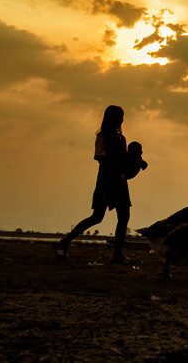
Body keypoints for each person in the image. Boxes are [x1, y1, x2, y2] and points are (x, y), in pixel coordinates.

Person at [53, 105, 139, 263]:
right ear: (108, 118)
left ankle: (117, 254)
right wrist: (114, 172)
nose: (119, 119)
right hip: (106, 181)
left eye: (121, 116)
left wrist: (137, 161)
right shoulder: (102, 137)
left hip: (120, 181)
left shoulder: (122, 138)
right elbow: (100, 158)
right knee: (97, 217)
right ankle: (64, 242)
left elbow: (124, 159)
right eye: (116, 116)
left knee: (124, 216)